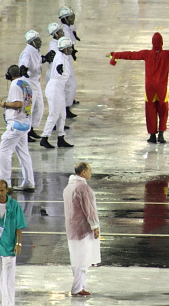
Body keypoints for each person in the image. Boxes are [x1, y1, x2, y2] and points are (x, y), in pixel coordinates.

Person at [109, 33, 169, 143]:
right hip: (162, 88)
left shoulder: (146, 54)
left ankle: (152, 136)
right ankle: (161, 135)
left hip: (149, 88)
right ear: (162, 43)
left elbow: (130, 55)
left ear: (152, 43)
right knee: (163, 110)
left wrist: (114, 55)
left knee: (150, 110)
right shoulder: (168, 54)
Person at [63, 162, 101, 297]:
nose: (91, 172)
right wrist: (95, 226)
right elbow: (89, 210)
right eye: (89, 170)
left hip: (72, 228)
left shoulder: (69, 187)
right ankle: (77, 288)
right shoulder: (83, 188)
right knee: (82, 260)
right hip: (82, 229)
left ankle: (80, 285)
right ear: (83, 172)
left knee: (76, 259)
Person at [0, 65, 35, 191]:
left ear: (9, 75)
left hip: (15, 125)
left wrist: (5, 104)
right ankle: (29, 182)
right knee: (24, 153)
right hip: (25, 123)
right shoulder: (26, 83)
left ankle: (4, 184)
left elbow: (18, 104)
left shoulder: (15, 85)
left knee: (4, 151)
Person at [19, 30, 54, 142]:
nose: (40, 41)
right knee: (29, 108)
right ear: (32, 41)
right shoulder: (27, 52)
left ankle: (31, 128)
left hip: (36, 82)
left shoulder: (36, 51)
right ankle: (25, 133)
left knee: (39, 107)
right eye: (37, 39)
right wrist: (23, 68)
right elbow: (24, 62)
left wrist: (45, 59)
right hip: (29, 83)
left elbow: (37, 61)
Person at [40, 37, 74, 149]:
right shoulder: (60, 57)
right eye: (69, 47)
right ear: (64, 48)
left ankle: (61, 138)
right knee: (54, 114)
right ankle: (44, 138)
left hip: (59, 89)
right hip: (54, 89)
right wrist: (59, 68)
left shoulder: (64, 56)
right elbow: (59, 64)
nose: (71, 49)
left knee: (62, 114)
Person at [58, 6, 79, 117]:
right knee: (70, 84)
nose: (73, 18)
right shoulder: (65, 31)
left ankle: (67, 105)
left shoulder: (68, 28)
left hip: (68, 59)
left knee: (70, 84)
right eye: (71, 17)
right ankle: (65, 108)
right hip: (65, 60)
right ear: (65, 18)